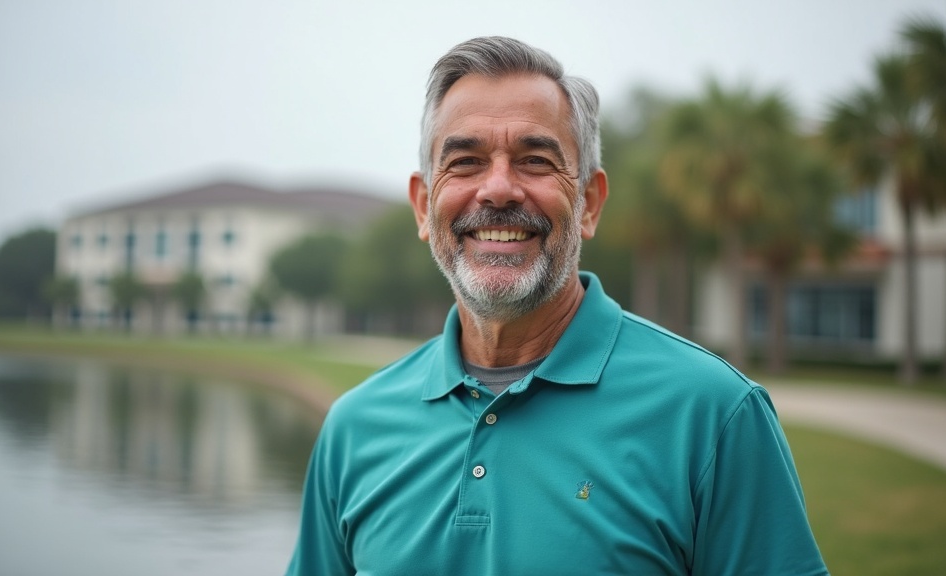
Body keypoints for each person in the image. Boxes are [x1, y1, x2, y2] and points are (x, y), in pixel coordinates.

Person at [286, 36, 828, 576]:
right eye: (467, 161)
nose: (498, 189)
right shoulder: (354, 427)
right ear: (425, 207)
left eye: (536, 160)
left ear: (588, 202)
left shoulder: (715, 414)